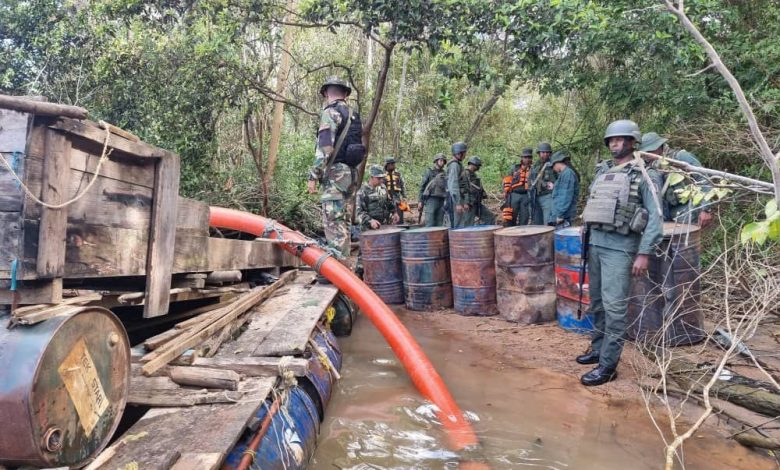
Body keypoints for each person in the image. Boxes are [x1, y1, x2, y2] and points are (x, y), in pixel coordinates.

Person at [578, 119, 663, 386]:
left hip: (621, 248)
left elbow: (655, 221)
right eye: (611, 140)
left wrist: (644, 252)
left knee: (615, 308)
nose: (614, 143)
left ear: (631, 142)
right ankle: (598, 348)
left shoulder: (645, 174)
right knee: (598, 303)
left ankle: (608, 365)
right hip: (596, 244)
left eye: (620, 139)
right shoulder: (603, 171)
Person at [307, 76, 365, 259]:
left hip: (336, 176)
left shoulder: (331, 113)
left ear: (326, 93)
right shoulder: (354, 115)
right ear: (345, 94)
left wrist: (313, 176)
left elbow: (325, 148)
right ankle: (345, 266)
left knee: (333, 221)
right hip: (352, 175)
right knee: (345, 221)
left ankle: (339, 268)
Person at [639, 132, 713, 227]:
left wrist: (705, 209)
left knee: (689, 240)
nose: (647, 155)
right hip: (663, 217)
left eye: (650, 151)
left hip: (686, 211)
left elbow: (703, 180)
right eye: (645, 152)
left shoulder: (680, 157)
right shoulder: (647, 166)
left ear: (659, 147)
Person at [356, 165, 399, 230]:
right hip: (369, 229)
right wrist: (370, 221)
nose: (381, 180)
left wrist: (394, 212)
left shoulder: (383, 187)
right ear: (372, 177)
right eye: (379, 178)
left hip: (385, 226)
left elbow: (389, 202)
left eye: (382, 178)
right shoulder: (363, 192)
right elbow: (359, 213)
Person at [548, 151, 580, 227]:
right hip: (561, 213)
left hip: (565, 215)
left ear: (557, 163)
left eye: (553, 166)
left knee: (563, 237)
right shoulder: (563, 174)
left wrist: (560, 215)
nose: (553, 169)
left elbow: (565, 196)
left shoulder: (567, 174)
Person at [462, 156, 495, 226]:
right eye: (478, 166)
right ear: (473, 165)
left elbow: (478, 188)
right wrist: (466, 202)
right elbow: (464, 190)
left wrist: (483, 194)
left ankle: (484, 233)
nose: (478, 168)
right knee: (468, 224)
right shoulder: (465, 174)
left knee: (490, 217)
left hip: (476, 203)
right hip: (469, 204)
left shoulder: (474, 175)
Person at [504, 148, 533, 226]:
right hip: (514, 195)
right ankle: (511, 233)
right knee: (511, 216)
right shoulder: (514, 168)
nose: (527, 159)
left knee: (525, 217)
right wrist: (506, 193)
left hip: (526, 195)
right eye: (525, 157)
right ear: (522, 158)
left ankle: (522, 234)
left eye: (529, 157)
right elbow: (507, 181)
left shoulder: (533, 169)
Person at [419, 154, 448, 227]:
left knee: (440, 222)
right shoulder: (429, 172)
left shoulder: (445, 174)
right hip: (431, 199)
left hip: (441, 199)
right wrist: (420, 201)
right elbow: (422, 187)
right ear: (436, 161)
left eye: (443, 161)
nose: (442, 162)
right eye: (440, 160)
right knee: (430, 222)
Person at [531, 142, 557, 225]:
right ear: (539, 153)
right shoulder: (535, 165)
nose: (545, 154)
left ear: (550, 153)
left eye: (547, 152)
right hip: (536, 196)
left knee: (548, 222)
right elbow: (531, 179)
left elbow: (560, 180)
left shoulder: (554, 164)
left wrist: (553, 185)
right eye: (543, 152)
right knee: (537, 223)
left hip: (548, 196)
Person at [447, 141, 469, 228]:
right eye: (464, 153)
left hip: (458, 199)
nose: (465, 155)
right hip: (454, 200)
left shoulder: (458, 165)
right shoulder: (454, 166)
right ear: (459, 153)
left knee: (460, 223)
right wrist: (458, 203)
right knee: (457, 225)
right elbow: (453, 185)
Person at [383, 156, 407, 223]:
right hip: (386, 199)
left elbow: (402, 185)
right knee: (386, 217)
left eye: (393, 164)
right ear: (387, 165)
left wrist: (404, 197)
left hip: (397, 198)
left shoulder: (398, 174)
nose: (393, 165)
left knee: (400, 216)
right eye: (391, 164)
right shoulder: (382, 175)